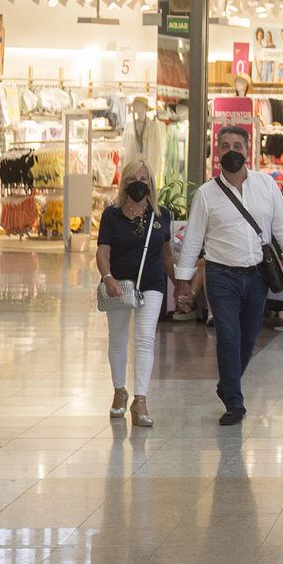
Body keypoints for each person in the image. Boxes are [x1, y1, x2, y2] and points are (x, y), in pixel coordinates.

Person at [173, 125, 283, 426]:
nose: (232, 150)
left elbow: (282, 226)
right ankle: (234, 401)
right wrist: (183, 279)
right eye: (225, 145)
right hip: (221, 275)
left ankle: (227, 383)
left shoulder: (267, 186)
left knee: (248, 339)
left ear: (248, 150)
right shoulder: (207, 194)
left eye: (237, 144)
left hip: (258, 275)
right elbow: (193, 239)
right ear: (217, 152)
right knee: (228, 336)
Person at [96, 160, 174, 428]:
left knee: (145, 340)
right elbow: (102, 251)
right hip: (118, 284)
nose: (139, 183)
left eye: (144, 178)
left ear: (151, 183)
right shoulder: (111, 215)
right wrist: (108, 278)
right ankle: (120, 391)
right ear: (125, 183)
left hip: (152, 282)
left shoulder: (162, 215)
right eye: (133, 178)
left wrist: (182, 284)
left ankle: (140, 400)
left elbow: (166, 255)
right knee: (118, 339)